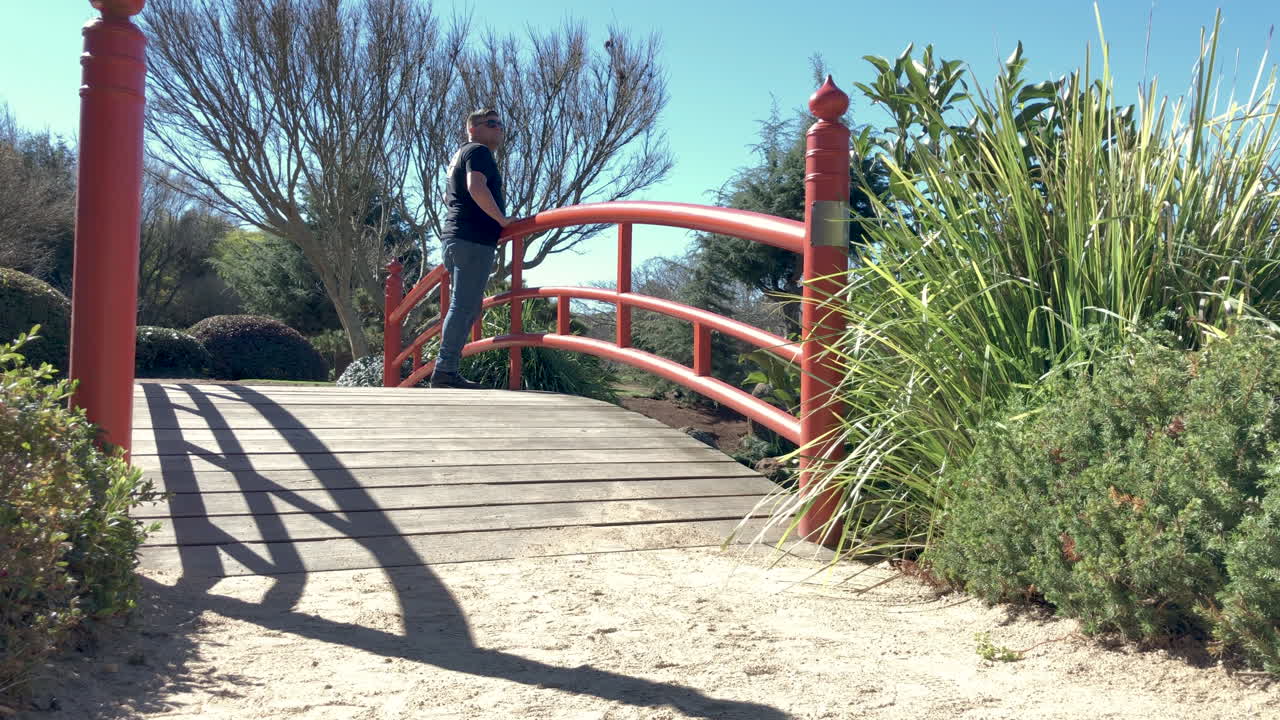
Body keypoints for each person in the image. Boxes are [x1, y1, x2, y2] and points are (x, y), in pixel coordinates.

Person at [428, 108, 513, 389]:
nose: (498, 128)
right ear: (472, 128)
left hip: (455, 239)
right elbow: (476, 187)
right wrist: (502, 221)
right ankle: (444, 370)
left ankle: (447, 369)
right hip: (473, 240)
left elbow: (449, 195)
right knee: (463, 306)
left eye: (500, 124)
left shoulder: (460, 154)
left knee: (467, 305)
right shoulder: (478, 151)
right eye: (491, 123)